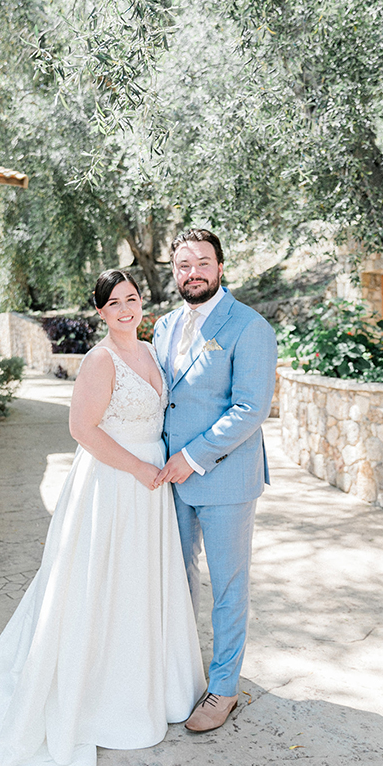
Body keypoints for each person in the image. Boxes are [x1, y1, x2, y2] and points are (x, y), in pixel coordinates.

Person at [0, 269, 205, 766]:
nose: (126, 309)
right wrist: (137, 467)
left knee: (140, 584)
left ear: (142, 303)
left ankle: (151, 687)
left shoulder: (152, 353)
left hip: (151, 487)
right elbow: (82, 430)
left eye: (132, 298)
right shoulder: (100, 360)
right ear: (101, 312)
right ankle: (97, 697)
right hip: (113, 483)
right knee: (98, 584)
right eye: (115, 302)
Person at [153, 230, 277, 733]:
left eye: (203, 263)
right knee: (175, 581)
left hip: (225, 478)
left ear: (220, 268)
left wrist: (192, 456)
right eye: (184, 265)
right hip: (169, 479)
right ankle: (182, 676)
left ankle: (224, 688)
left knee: (227, 587)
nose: (193, 273)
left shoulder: (249, 326)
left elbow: (251, 408)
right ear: (174, 272)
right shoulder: (163, 327)